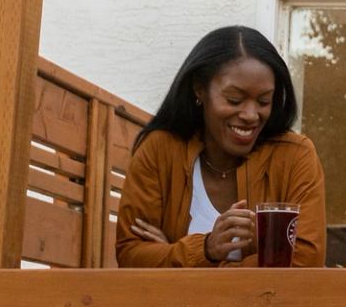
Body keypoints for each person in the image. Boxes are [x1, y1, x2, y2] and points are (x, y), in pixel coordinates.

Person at [118, 26, 325, 268]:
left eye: (263, 101)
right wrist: (206, 247)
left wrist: (185, 259)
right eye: (234, 100)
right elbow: (132, 255)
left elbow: (305, 260)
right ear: (199, 89)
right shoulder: (160, 150)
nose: (250, 115)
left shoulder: (295, 156)